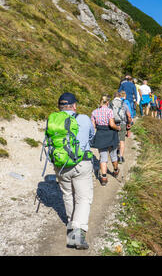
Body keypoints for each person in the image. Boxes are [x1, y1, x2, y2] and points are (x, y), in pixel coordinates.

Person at [52, 93, 95, 250]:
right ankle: (77, 234)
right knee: (83, 198)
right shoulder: (83, 118)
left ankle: (71, 228)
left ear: (60, 107)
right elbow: (92, 136)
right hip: (81, 163)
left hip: (60, 165)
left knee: (68, 195)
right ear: (74, 106)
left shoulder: (53, 120)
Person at [91, 95, 121, 186]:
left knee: (103, 157)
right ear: (108, 102)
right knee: (113, 154)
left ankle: (103, 178)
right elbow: (111, 124)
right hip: (110, 134)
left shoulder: (94, 112)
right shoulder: (109, 111)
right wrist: (118, 127)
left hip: (100, 134)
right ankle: (115, 171)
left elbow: (93, 127)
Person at [110, 92, 132, 164]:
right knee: (122, 141)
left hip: (113, 123)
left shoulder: (110, 104)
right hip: (122, 123)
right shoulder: (124, 104)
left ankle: (114, 156)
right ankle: (121, 157)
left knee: (114, 140)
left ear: (114, 97)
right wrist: (129, 123)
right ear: (120, 97)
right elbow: (128, 115)